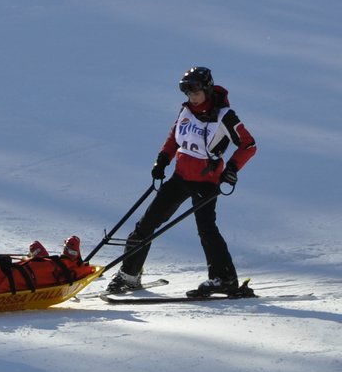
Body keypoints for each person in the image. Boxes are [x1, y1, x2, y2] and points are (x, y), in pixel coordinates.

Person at [106, 66, 257, 297]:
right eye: (187, 92)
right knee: (146, 224)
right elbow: (173, 137)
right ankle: (129, 276)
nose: (191, 97)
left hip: (206, 181)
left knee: (207, 230)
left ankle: (224, 279)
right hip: (180, 177)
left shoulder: (225, 116)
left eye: (195, 91)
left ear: (206, 88)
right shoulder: (186, 110)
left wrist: (232, 169)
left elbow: (248, 145)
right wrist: (162, 160)